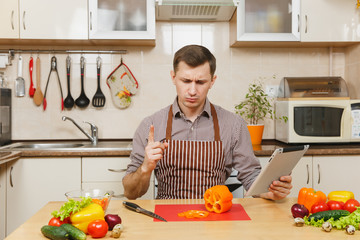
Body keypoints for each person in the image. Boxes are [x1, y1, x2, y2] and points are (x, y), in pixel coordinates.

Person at [122, 44, 292, 200]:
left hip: (216, 216)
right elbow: (131, 193)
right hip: (167, 219)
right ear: (173, 77)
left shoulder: (233, 125)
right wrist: (145, 168)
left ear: (212, 81)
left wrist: (270, 191)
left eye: (200, 82)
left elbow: (250, 176)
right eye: (186, 81)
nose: (192, 90)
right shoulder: (150, 125)